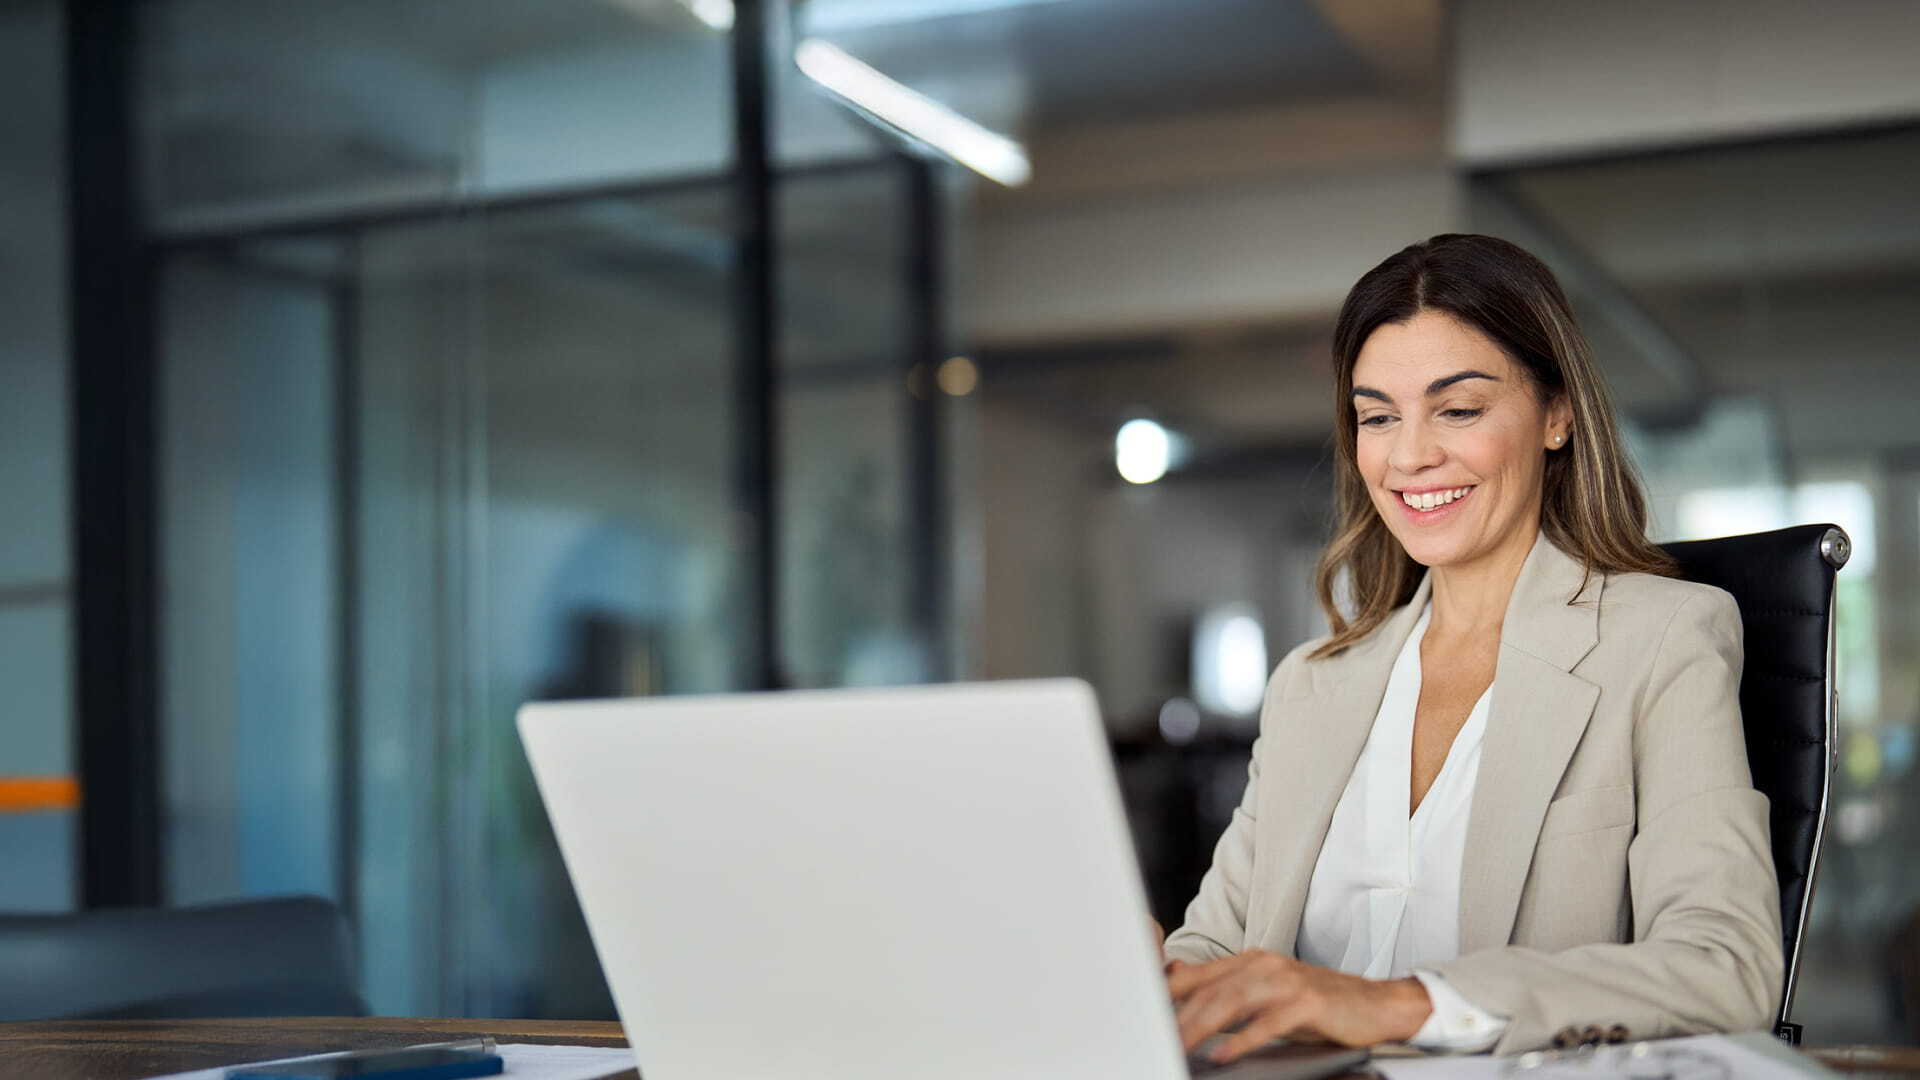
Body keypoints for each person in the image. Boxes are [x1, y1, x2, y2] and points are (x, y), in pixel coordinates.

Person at [1158, 234, 1783, 1060]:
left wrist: (1400, 1006)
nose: (1410, 454)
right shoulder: (1313, 684)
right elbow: (1216, 957)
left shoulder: (1661, 639)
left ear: (1556, 414)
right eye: (1377, 417)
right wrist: (1142, 972)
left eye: (1458, 409)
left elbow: (1724, 966)